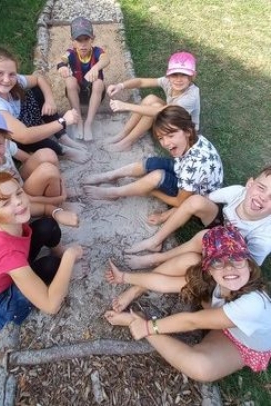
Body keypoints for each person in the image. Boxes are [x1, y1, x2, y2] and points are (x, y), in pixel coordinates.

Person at [104, 226, 271, 381]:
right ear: (210, 270)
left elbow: (193, 321)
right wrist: (124, 277)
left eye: (237, 259)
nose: (229, 268)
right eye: (219, 262)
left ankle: (135, 322)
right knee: (190, 266)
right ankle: (136, 296)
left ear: (250, 265)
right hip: (222, 322)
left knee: (201, 368)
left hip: (243, 342)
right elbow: (164, 283)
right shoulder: (214, 281)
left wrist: (148, 327)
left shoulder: (254, 304)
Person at [0, 172, 84, 330]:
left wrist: (59, 213)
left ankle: (58, 252)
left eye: (18, 192)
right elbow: (51, 306)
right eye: (5, 203)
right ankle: (61, 258)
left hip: (5, 268)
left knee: (47, 225)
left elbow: (43, 208)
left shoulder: (7, 220)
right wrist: (69, 256)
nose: (19, 202)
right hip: (4, 299)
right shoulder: (9, 256)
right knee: (52, 266)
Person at [125, 165, 271, 265]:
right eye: (261, 188)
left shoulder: (265, 236)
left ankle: (158, 258)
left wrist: (219, 250)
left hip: (232, 251)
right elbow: (202, 200)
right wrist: (166, 215)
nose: (263, 197)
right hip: (219, 221)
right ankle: (155, 241)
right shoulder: (238, 192)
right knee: (196, 201)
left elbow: (248, 266)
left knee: (203, 239)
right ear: (250, 184)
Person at [83, 105, 223, 207]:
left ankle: (112, 193)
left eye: (170, 135)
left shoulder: (194, 165)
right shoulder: (192, 139)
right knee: (153, 162)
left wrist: (152, 192)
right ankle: (109, 176)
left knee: (158, 176)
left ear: (187, 131)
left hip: (197, 197)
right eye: (161, 138)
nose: (166, 143)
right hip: (188, 173)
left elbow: (180, 202)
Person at [0, 47, 91, 163]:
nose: (7, 79)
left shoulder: (4, 82)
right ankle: (63, 151)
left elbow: (38, 79)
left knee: (37, 90)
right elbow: (24, 136)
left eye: (11, 74)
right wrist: (62, 121)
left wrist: (49, 100)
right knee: (27, 137)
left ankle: (63, 138)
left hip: (15, 116)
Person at [0, 108, 78, 227]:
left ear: (5, 139)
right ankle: (57, 206)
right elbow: (6, 202)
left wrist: (57, 180)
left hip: (17, 182)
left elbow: (27, 159)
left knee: (47, 154)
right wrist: (56, 199)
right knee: (48, 170)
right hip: (12, 199)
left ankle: (57, 190)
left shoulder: (5, 144)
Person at [106, 51, 200, 152]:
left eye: (184, 75)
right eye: (174, 75)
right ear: (168, 75)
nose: (178, 79)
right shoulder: (167, 81)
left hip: (183, 130)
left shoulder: (191, 96)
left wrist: (125, 106)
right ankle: (124, 133)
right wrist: (120, 86)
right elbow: (141, 82)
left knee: (153, 111)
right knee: (151, 98)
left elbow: (160, 112)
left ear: (192, 76)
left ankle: (127, 142)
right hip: (172, 113)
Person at [57, 16, 110, 141]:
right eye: (79, 40)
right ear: (73, 41)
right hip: (77, 94)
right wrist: (62, 68)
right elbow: (61, 59)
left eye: (86, 39)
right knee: (69, 80)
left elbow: (106, 59)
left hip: (95, 94)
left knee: (98, 83)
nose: (83, 44)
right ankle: (79, 120)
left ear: (92, 39)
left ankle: (88, 123)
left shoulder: (97, 51)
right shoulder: (70, 52)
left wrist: (95, 68)